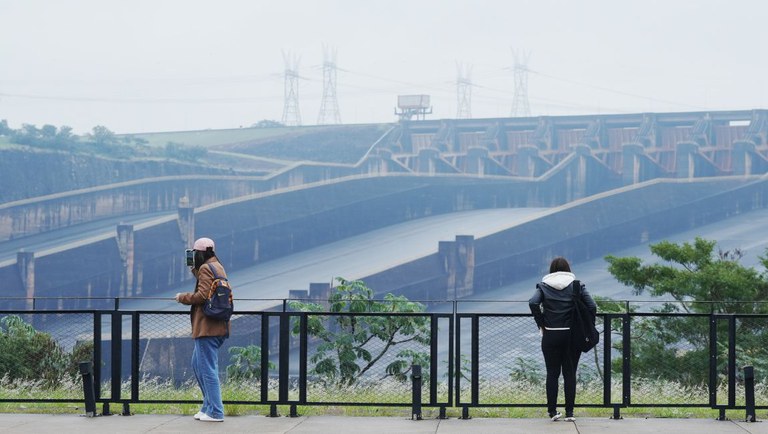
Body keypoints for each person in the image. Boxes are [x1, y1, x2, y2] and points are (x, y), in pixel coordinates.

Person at [528, 256, 596, 422]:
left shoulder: (543, 286)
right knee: (569, 373)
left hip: (551, 334)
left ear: (551, 270)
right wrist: (587, 325)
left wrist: (541, 323)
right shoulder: (576, 286)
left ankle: (552, 412)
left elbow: (533, 303)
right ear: (568, 269)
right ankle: (570, 413)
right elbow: (592, 306)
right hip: (572, 335)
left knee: (552, 373)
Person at [175, 237, 230, 423]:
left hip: (208, 327)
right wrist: (194, 269)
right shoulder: (216, 266)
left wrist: (182, 297)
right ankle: (208, 407)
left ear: (199, 253)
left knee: (207, 370)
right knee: (198, 365)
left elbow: (201, 295)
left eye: (194, 253)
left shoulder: (207, 268)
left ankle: (215, 411)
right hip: (216, 325)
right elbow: (207, 286)